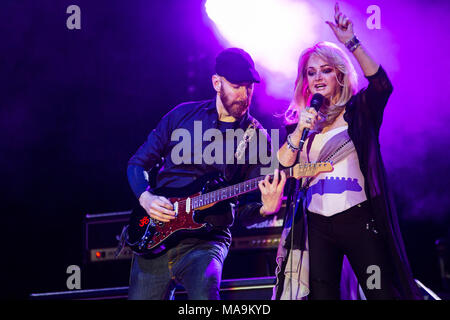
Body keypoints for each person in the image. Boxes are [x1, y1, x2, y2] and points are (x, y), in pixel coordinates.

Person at [273, 4, 422, 300]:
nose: (318, 77)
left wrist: (351, 42)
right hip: (316, 225)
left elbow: (382, 84)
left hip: (359, 221)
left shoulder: (360, 112)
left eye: (326, 70)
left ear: (339, 74)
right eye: (311, 72)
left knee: (380, 292)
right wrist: (302, 129)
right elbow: (284, 165)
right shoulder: (301, 124)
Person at [126, 47, 286, 300]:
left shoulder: (257, 138)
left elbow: (243, 210)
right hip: (156, 234)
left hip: (207, 241)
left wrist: (266, 210)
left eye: (249, 87)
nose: (244, 95)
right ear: (216, 83)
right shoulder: (181, 116)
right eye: (236, 86)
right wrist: (146, 198)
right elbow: (137, 164)